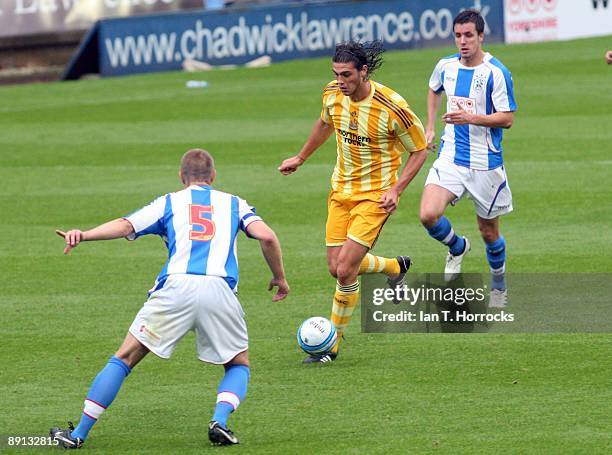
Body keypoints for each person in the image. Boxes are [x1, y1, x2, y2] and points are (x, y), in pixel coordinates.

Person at [49, 149, 289, 448]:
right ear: (212, 177)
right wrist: (279, 277)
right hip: (220, 290)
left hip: (174, 289)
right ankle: (220, 421)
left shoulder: (169, 202)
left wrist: (83, 235)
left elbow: (126, 225)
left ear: (181, 177)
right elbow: (267, 237)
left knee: (124, 359)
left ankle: (78, 434)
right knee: (238, 364)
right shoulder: (234, 203)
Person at [278, 40, 427, 363]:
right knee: (335, 267)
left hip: (376, 196)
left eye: (347, 75)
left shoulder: (392, 107)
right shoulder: (332, 94)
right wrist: (301, 157)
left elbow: (419, 149)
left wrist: (397, 189)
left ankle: (331, 342)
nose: (341, 81)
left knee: (346, 269)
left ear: (364, 71)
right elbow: (324, 123)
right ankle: (394, 268)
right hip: (340, 192)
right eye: (336, 74)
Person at [419, 9, 517, 307]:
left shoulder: (496, 72)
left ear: (481, 37)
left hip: (485, 163)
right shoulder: (445, 66)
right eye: (458, 35)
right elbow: (434, 88)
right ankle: (457, 247)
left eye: (468, 36)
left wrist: (470, 117)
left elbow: (507, 118)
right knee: (428, 215)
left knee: (489, 232)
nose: (463, 41)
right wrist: (431, 126)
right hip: (450, 156)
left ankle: (498, 283)